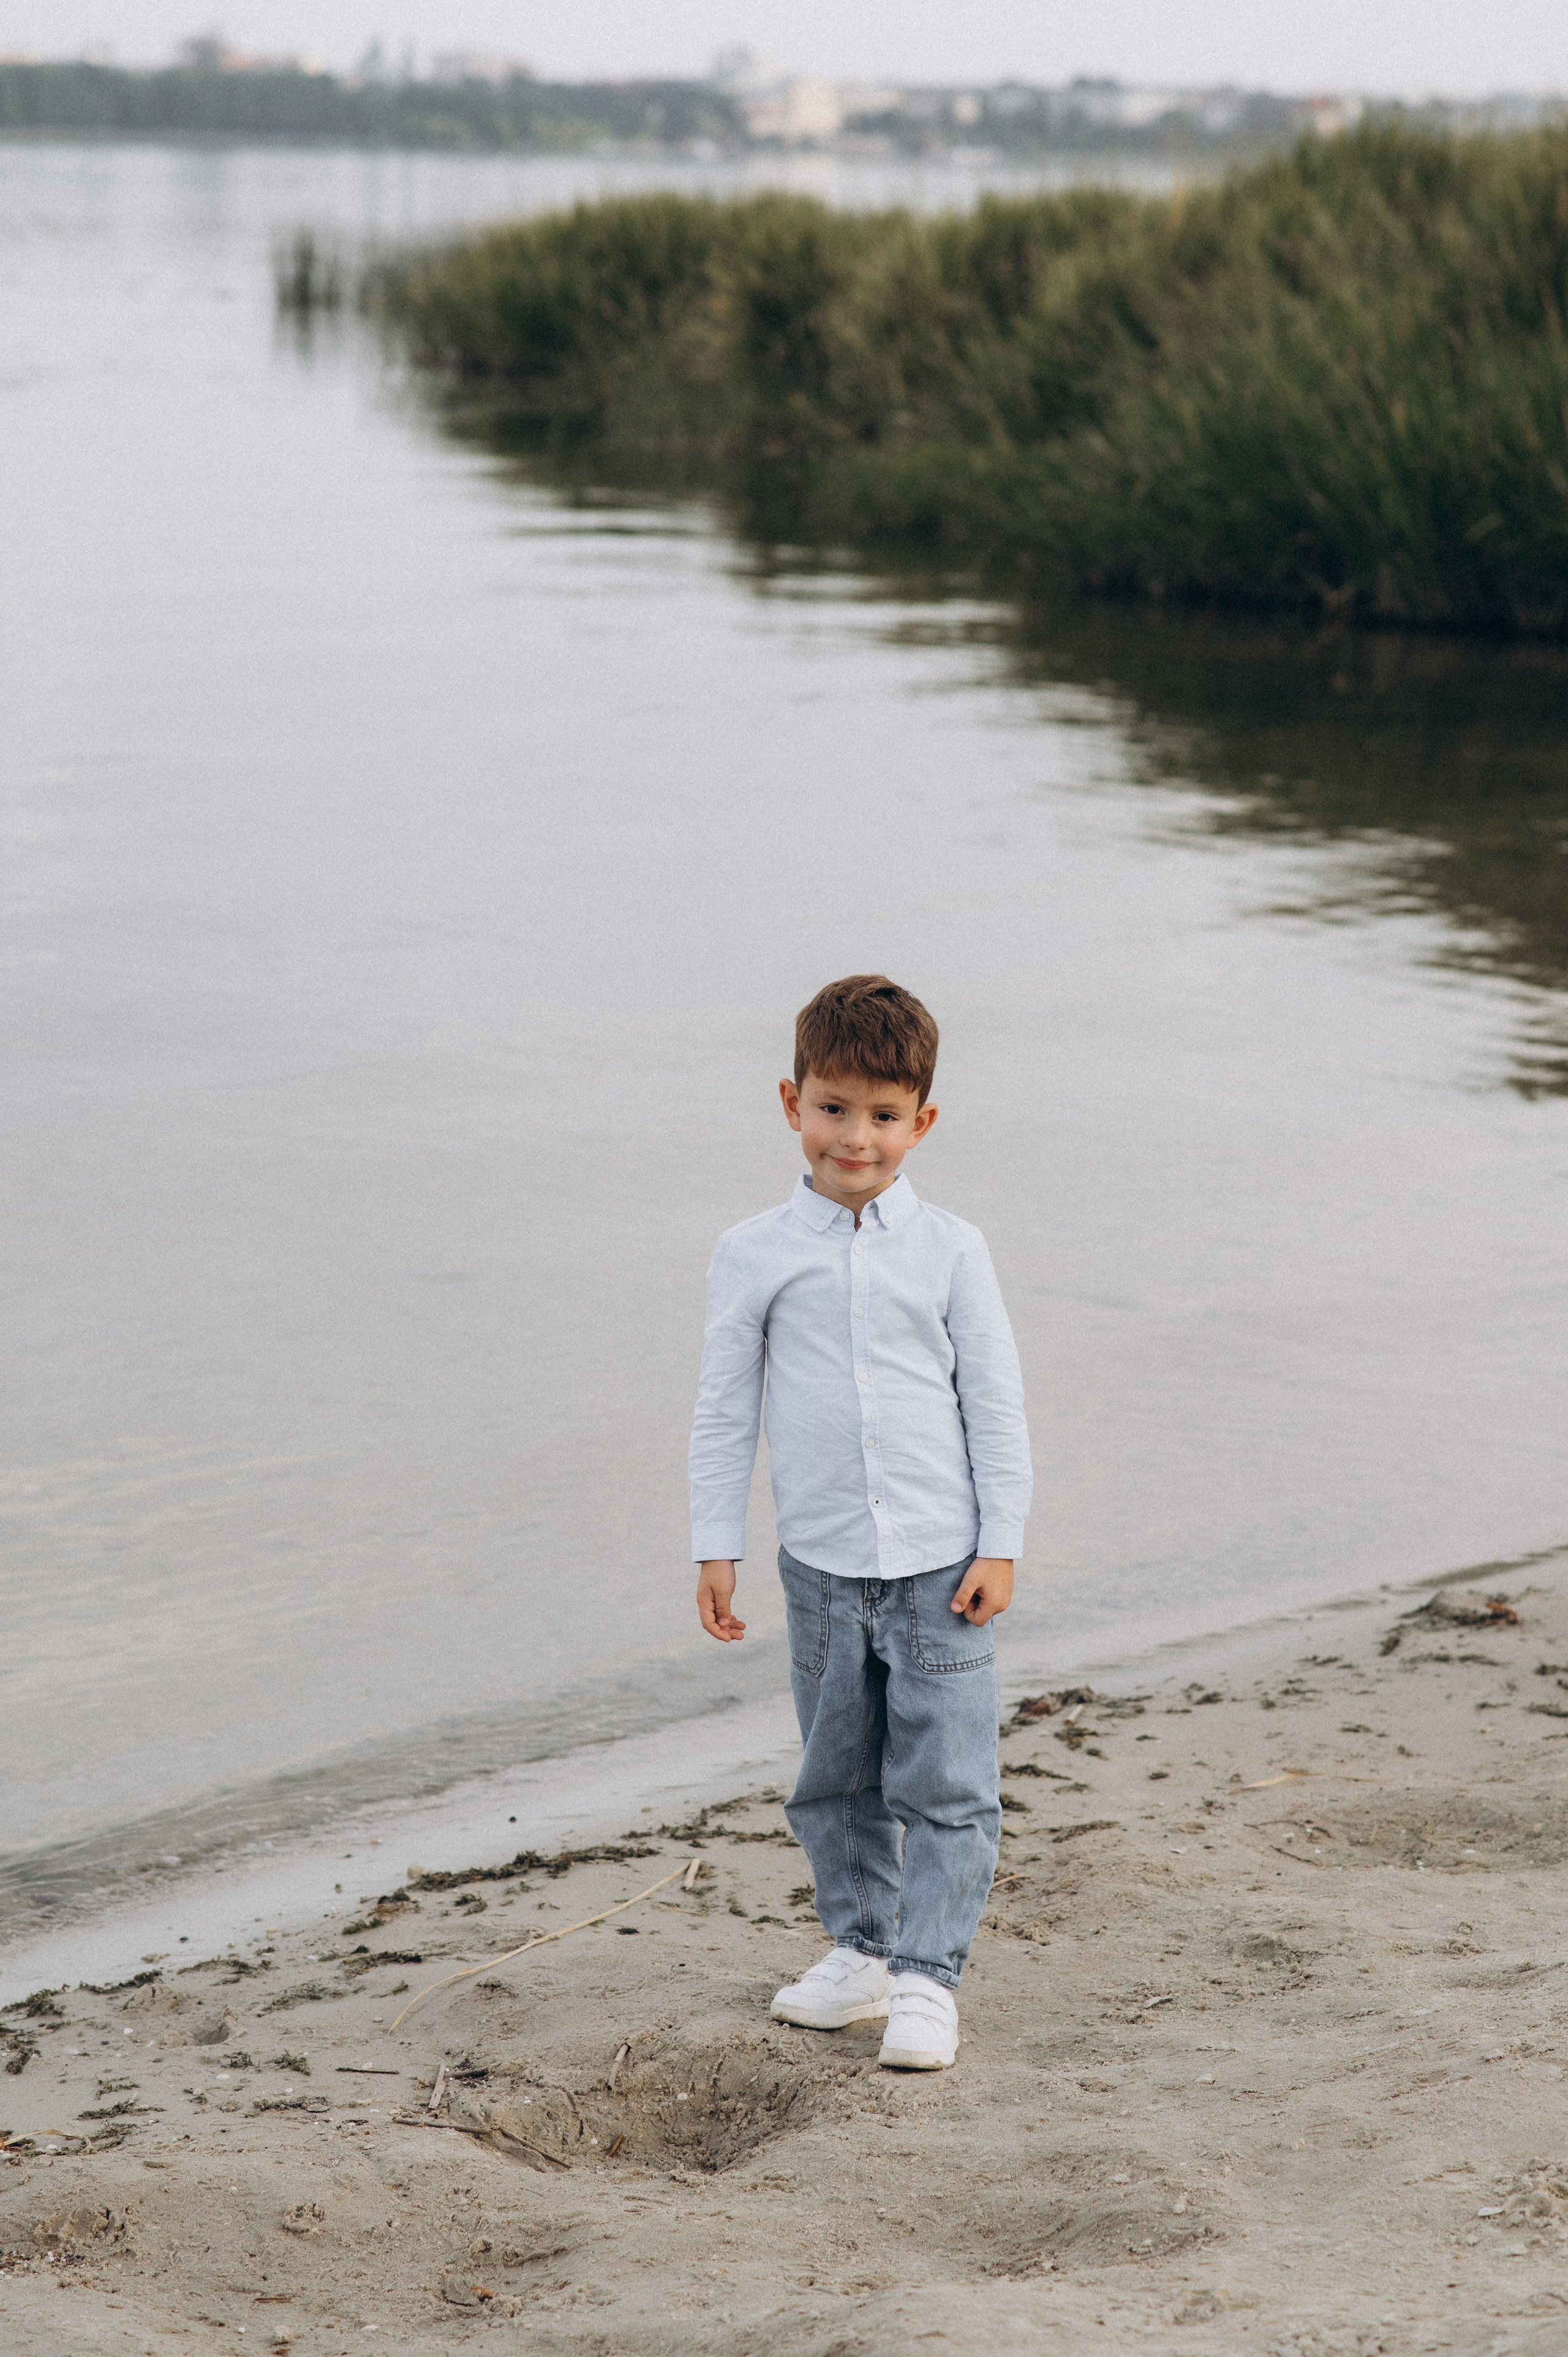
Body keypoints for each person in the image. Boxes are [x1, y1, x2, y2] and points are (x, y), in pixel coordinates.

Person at [688, 973, 1032, 2070]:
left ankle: (929, 1977)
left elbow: (995, 1402)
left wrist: (1002, 1541)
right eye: (834, 1109)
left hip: (943, 1566)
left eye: (884, 1115)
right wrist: (716, 1545)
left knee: (948, 1782)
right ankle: (865, 1950)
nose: (856, 1138)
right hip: (822, 1569)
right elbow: (724, 1409)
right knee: (835, 1777)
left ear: (921, 1123)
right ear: (793, 1103)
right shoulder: (753, 1252)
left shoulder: (953, 1249)